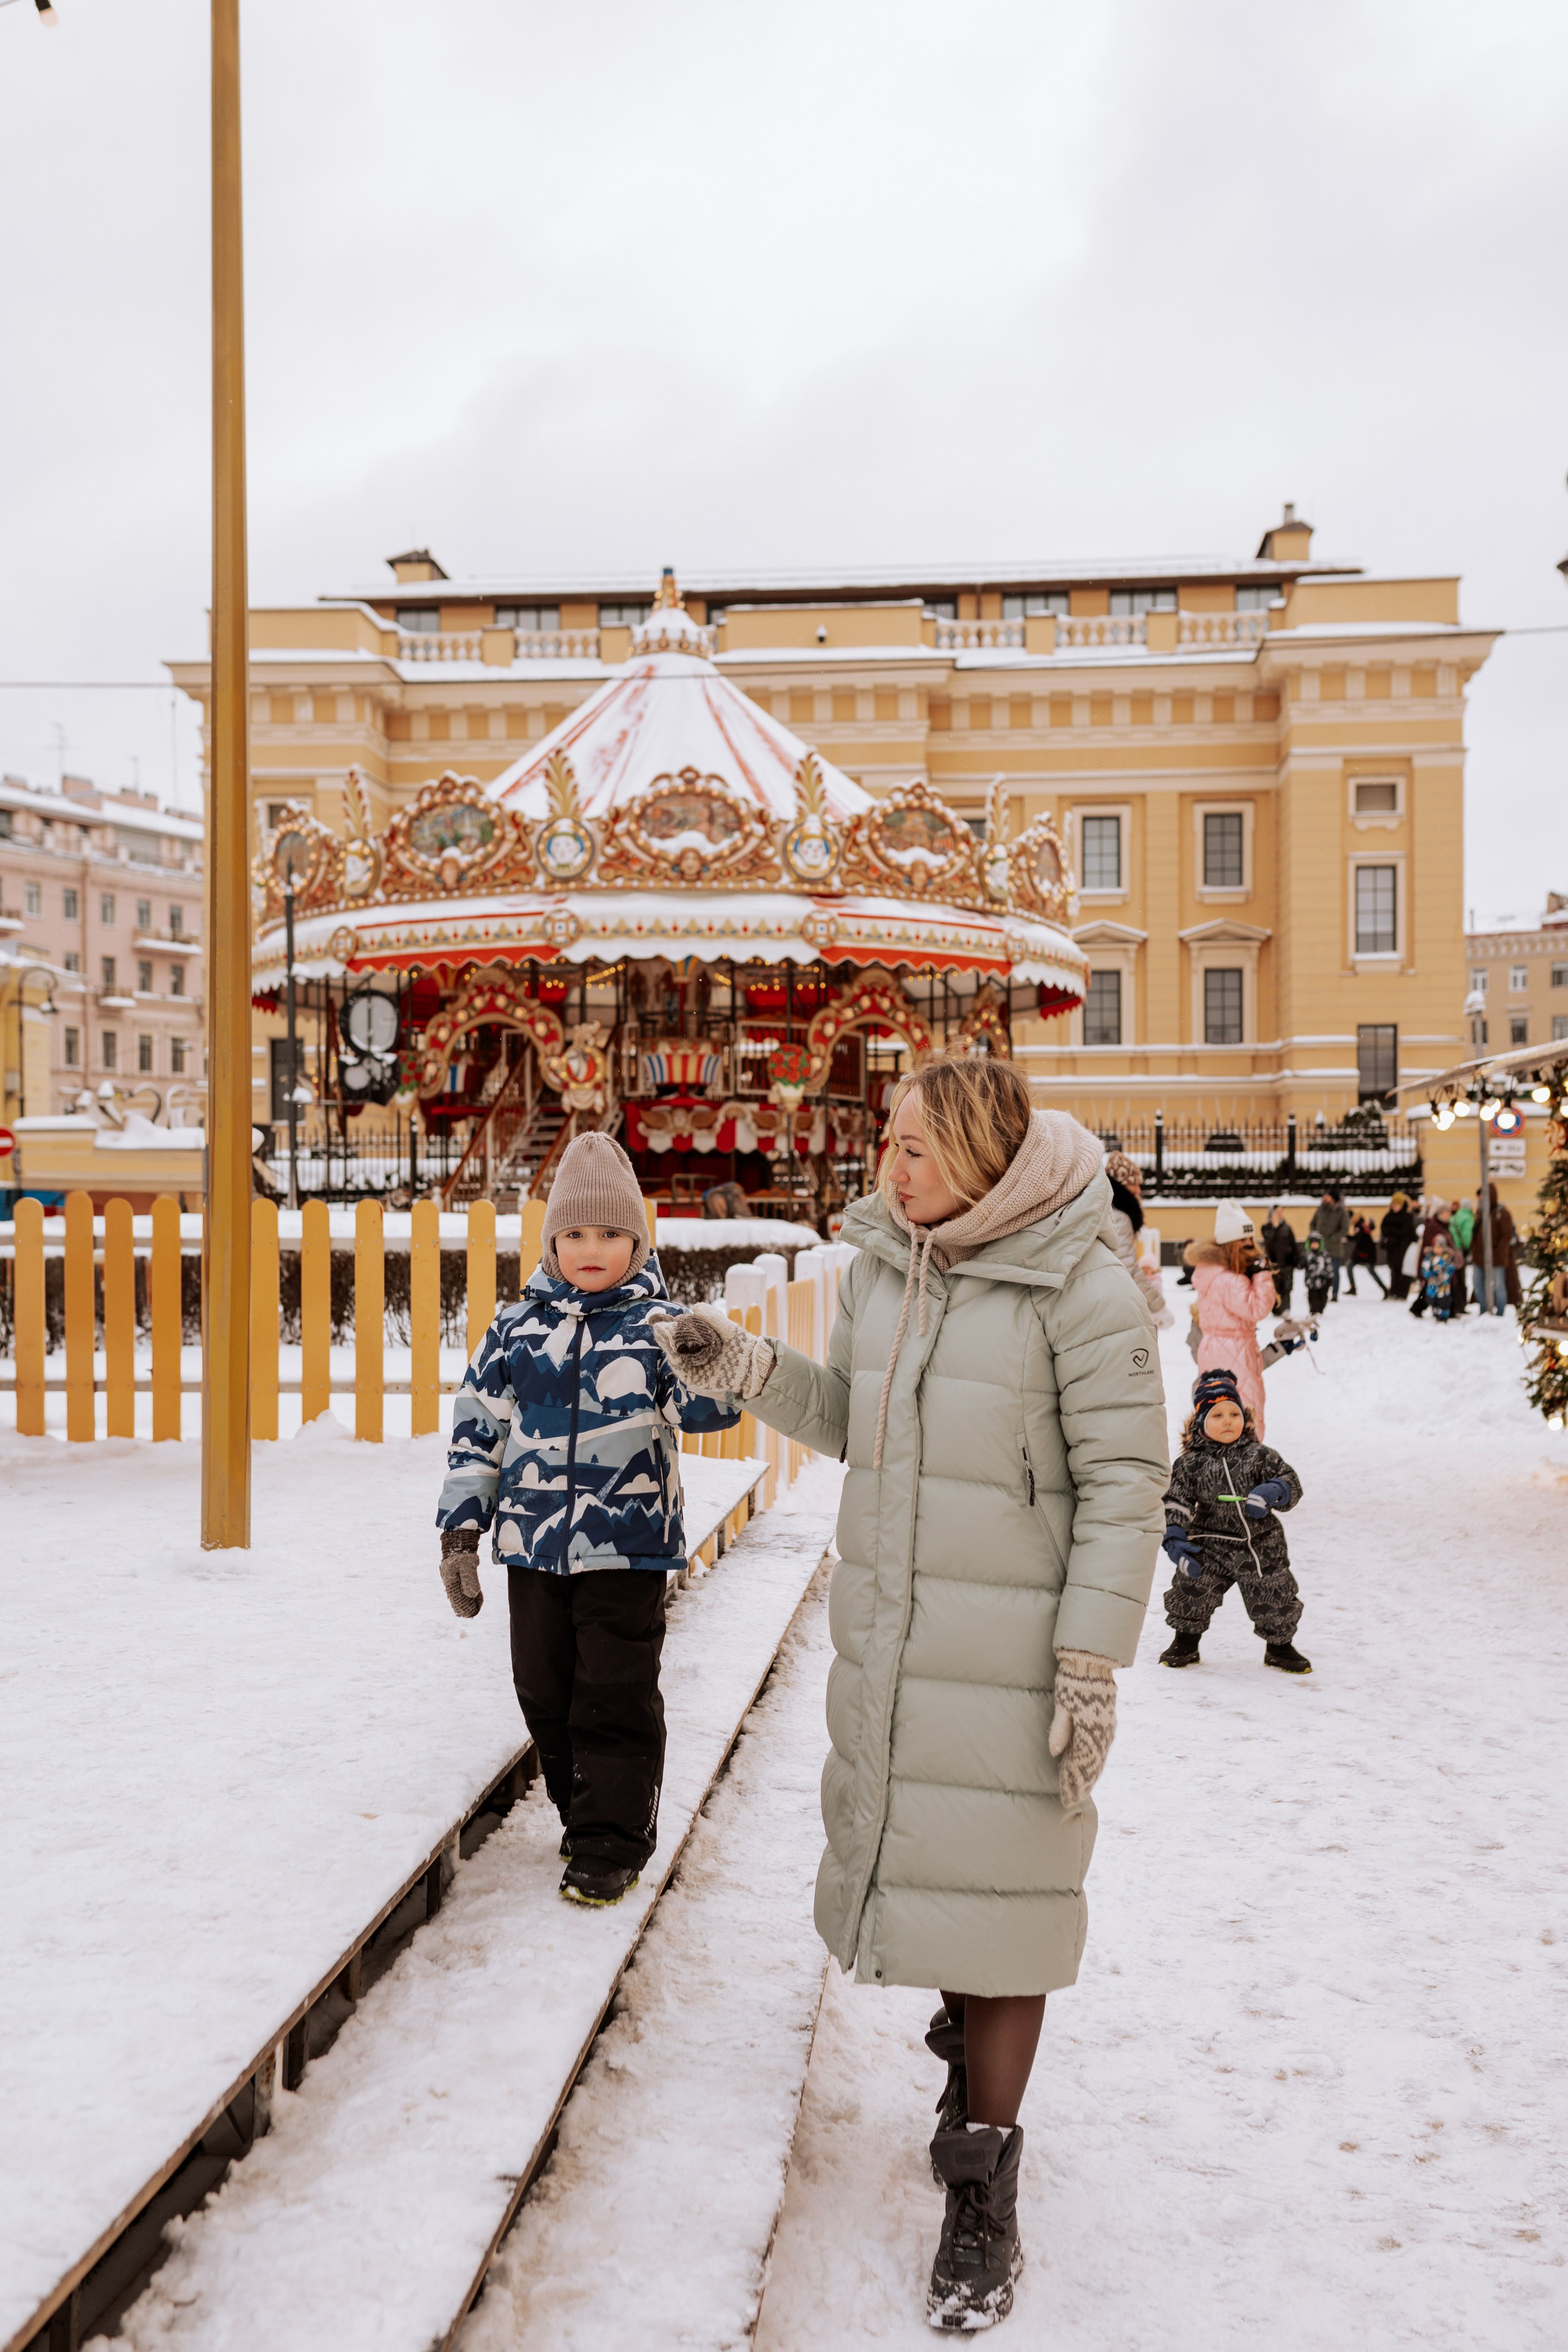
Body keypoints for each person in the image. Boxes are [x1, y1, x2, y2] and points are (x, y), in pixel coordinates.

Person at [654, 1061, 1167, 2332]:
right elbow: (856, 1416)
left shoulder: (1079, 1286)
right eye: (887, 1142)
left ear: (987, 1156)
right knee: (946, 1868)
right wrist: (747, 1367)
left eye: (916, 1147)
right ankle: (965, 2073)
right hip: (900, 1633)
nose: (891, 1166)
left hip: (1017, 1650)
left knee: (1008, 1899)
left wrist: (1089, 1658)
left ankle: (983, 2179)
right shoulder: (889, 1263)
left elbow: (1122, 1486)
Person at [435, 1133, 739, 1909]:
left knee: (614, 1689)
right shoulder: (514, 1332)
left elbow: (703, 1414)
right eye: (575, 1235)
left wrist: (716, 1361)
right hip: (533, 1549)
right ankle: (583, 1812)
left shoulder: (661, 1329)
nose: (591, 1249)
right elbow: (478, 1432)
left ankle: (613, 1837)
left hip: (626, 1548)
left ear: (637, 1241)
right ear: (552, 1242)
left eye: (609, 1235)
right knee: (543, 1685)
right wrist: (462, 1532)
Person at [1158, 1368, 1310, 1674]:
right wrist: (1175, 1539)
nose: (1228, 1420)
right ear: (1201, 1424)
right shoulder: (1190, 1464)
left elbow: (1290, 1482)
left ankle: (1279, 1647)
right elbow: (1178, 1501)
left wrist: (1273, 1491)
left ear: (1245, 1418)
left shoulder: (1260, 1455)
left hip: (1260, 1543)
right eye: (1217, 1416)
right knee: (1191, 1588)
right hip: (1210, 1542)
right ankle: (1186, 1641)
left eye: (1234, 1413)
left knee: (1275, 1593)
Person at [1183, 1202, 1276, 1437]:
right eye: (1243, 1241)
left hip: (1216, 1348)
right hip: (1234, 1353)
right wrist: (1263, 1274)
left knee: (1219, 1415)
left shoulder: (1212, 1271)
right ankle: (1245, 1469)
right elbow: (1258, 1307)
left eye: (1251, 1240)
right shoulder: (1228, 1280)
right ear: (1231, 1245)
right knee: (1245, 1416)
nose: (1250, 1246)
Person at [1104, 1148, 1174, 1327]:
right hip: (1113, 1303)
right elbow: (1128, 1268)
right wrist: (1159, 1306)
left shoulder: (1104, 1209)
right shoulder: (1119, 1216)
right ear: (1120, 1186)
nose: (1138, 1189)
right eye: (1134, 1183)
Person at [1469, 1182, 1518, 1315]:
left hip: (1496, 1257)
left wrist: (1497, 1251)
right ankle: (1484, 1309)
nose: (1480, 1198)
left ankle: (1500, 1312)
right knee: (1478, 1283)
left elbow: (1507, 1235)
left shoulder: (1501, 1213)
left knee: (1498, 1285)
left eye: (1483, 1195)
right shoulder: (1480, 1212)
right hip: (1480, 1256)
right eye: (1479, 1196)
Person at [1309, 1186, 1351, 1301]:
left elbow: (1345, 1229)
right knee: (1318, 1271)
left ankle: (1335, 1293)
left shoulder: (1341, 1212)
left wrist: (1333, 1238)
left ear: (1334, 1199)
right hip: (1319, 1248)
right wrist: (1315, 1236)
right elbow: (1312, 1223)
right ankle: (1320, 1292)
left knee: (1334, 1272)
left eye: (1328, 1197)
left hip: (1334, 1248)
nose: (1325, 1198)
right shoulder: (1321, 1209)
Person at [1260, 1203, 1301, 1313]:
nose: (1280, 1215)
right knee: (1275, 1287)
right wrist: (1275, 1228)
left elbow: (1293, 1244)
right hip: (1274, 1263)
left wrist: (1297, 1259)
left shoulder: (1287, 1227)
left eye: (1281, 1212)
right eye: (1277, 1212)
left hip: (1287, 1262)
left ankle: (1286, 1310)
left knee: (1287, 1287)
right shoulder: (1266, 1228)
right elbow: (1268, 1244)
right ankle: (1276, 1310)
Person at [1381, 1191, 1418, 1301]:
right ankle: (1394, 1291)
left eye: (1397, 1205)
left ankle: (1402, 1293)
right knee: (1394, 1270)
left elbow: (1405, 1231)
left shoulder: (1407, 1217)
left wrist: (1392, 1232)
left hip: (1404, 1248)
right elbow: (1384, 1228)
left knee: (1403, 1270)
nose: (1394, 1207)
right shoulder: (1389, 1216)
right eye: (1393, 1205)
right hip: (1392, 1248)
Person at [1348, 1214, 1387, 1297]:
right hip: (1363, 1253)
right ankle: (1353, 1287)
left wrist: (1346, 1236)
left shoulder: (1360, 1227)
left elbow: (1356, 1237)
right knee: (1350, 1266)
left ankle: (1385, 1289)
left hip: (1366, 1253)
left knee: (1371, 1271)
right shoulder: (1362, 1225)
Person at [1303, 1234, 1333, 1317]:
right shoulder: (1308, 1256)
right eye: (1312, 1243)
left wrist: (1330, 1280)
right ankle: (1314, 1311)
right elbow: (1302, 1265)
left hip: (1324, 1282)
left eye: (1316, 1243)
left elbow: (1329, 1269)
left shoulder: (1325, 1256)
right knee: (1313, 1297)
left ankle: (1320, 1310)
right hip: (1312, 1282)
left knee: (1323, 1298)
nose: (1314, 1245)